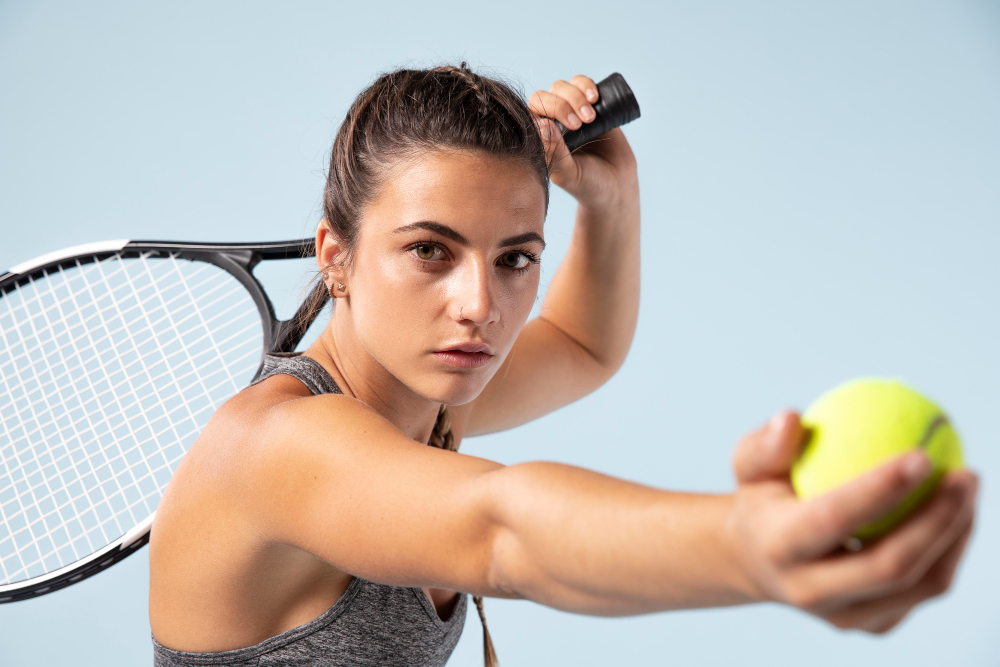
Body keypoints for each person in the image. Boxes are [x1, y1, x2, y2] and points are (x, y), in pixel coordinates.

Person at [148, 63, 979, 667]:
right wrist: (749, 547)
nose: (481, 304)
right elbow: (501, 529)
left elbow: (583, 347)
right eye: (430, 250)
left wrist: (612, 202)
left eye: (515, 257)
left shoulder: (428, 395)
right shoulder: (274, 446)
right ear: (336, 254)